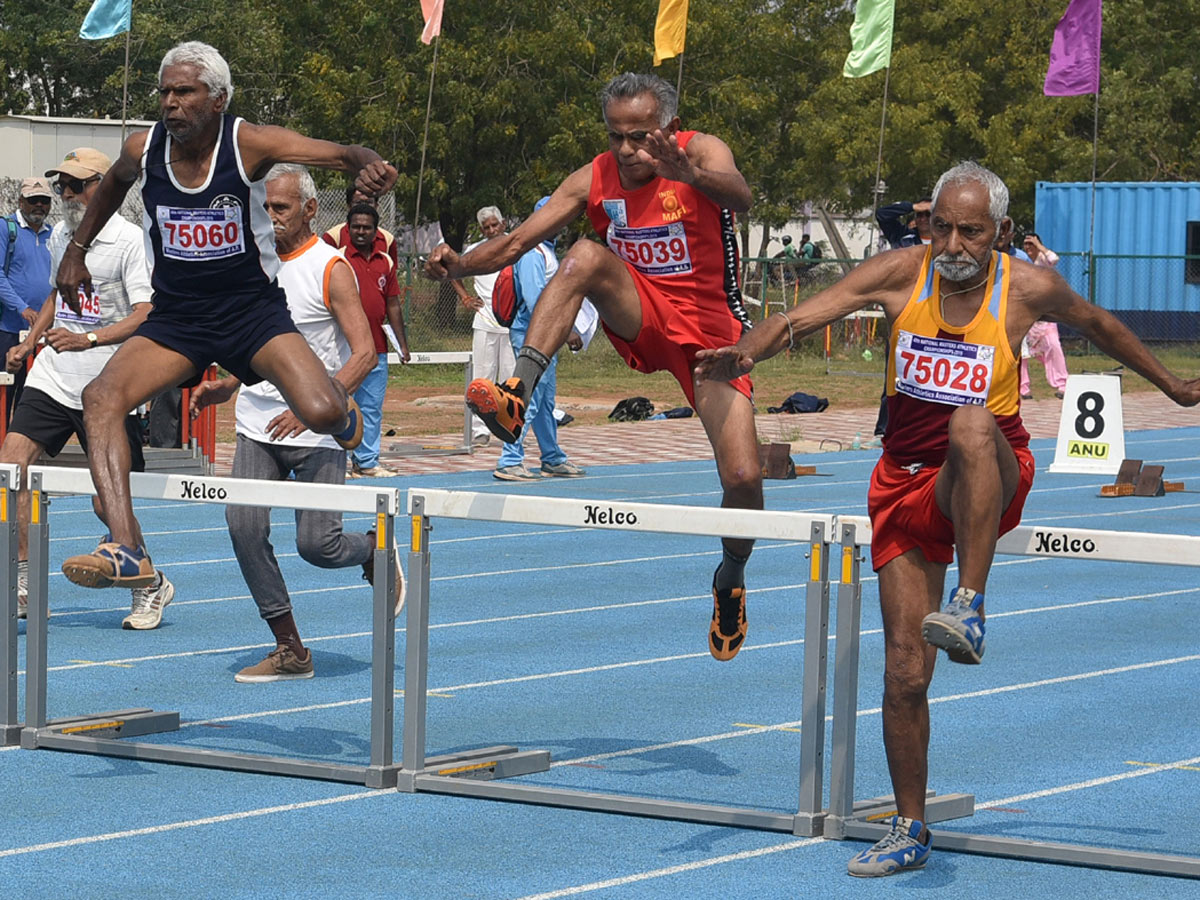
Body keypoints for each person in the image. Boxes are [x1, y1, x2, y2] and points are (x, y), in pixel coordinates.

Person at [694, 161, 1200, 877]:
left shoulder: (1026, 286)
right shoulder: (902, 273)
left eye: (972, 230)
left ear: (1000, 233)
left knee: (969, 422)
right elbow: (801, 316)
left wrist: (1176, 386)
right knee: (904, 670)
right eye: (943, 227)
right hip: (905, 483)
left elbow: (1101, 325)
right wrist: (745, 350)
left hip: (992, 468)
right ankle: (909, 826)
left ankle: (972, 599)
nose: (955, 244)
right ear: (928, 223)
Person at [425, 72, 760, 662]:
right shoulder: (594, 178)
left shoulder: (700, 152)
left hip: (710, 342)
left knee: (742, 479)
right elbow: (514, 243)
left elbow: (741, 195)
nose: (629, 150)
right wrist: (457, 263)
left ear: (668, 128)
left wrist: (688, 174)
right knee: (582, 254)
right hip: (642, 310)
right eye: (617, 136)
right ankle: (516, 394)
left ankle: (730, 575)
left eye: (642, 136)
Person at [53, 41, 396, 591]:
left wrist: (368, 166)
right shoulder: (145, 147)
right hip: (179, 318)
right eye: (164, 91)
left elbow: (339, 153)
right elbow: (114, 182)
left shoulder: (248, 143)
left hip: (250, 314)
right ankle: (126, 546)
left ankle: (342, 415)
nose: (170, 102)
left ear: (217, 100)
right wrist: (77, 249)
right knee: (101, 397)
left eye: (184, 92)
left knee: (321, 410)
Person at [189, 164, 400, 682]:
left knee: (318, 547)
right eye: (263, 207)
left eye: (280, 208)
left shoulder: (330, 268)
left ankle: (375, 545)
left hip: (316, 429)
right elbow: (258, 347)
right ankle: (290, 648)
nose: (270, 218)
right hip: (256, 426)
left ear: (309, 210)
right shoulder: (248, 267)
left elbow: (364, 355)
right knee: (243, 527)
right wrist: (230, 383)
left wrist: (313, 404)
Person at [0, 148, 172, 629]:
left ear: (106, 185)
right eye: (63, 187)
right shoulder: (60, 234)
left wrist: (88, 338)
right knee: (11, 468)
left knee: (105, 500)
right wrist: (32, 343)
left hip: (108, 383)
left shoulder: (129, 240)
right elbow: (58, 292)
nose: (68, 195)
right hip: (54, 375)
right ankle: (25, 582)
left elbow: (144, 313)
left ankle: (149, 584)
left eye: (77, 185)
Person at [494, 197, 585, 481]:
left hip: (545, 335)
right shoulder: (534, 253)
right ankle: (509, 459)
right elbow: (536, 301)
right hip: (534, 335)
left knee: (545, 400)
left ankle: (552, 457)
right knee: (528, 397)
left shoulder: (547, 251)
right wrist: (565, 329)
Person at [341, 202, 410, 477]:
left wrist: (402, 345)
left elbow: (392, 304)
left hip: (378, 349)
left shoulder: (387, 262)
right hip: (345, 349)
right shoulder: (337, 260)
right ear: (348, 229)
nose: (360, 231)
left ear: (375, 232)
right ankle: (339, 461)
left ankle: (367, 461)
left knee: (371, 407)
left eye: (366, 227)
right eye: (355, 227)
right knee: (340, 405)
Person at [450, 206, 513, 448]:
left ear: (504, 223)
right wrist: (465, 297)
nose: (491, 230)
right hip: (485, 321)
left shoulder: (516, 244)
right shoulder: (474, 250)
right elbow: (453, 272)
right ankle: (480, 430)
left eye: (495, 224)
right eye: (486, 227)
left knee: (510, 379)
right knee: (482, 378)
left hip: (511, 324)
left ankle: (510, 428)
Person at [0, 177, 54, 418]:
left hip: (41, 333)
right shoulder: (6, 228)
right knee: (5, 393)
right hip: (9, 329)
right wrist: (22, 307)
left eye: (44, 201)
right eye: (33, 201)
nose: (39, 206)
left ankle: (20, 450)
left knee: (32, 395)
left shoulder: (53, 234)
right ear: (21, 201)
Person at [1019, 232, 1069, 399]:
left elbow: (1054, 259)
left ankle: (1062, 384)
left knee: (1053, 346)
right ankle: (1023, 388)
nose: (1028, 247)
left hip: (1044, 314)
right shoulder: (1020, 260)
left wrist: (1039, 246)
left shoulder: (1042, 260)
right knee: (1021, 352)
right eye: (1026, 244)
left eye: (1031, 243)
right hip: (1025, 313)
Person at [322, 183, 400, 267]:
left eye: (369, 202)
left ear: (376, 205)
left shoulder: (387, 239)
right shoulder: (333, 237)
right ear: (349, 206)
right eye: (358, 202)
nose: (364, 207)